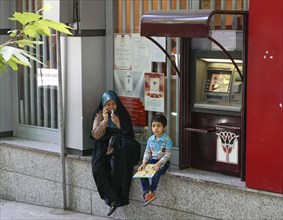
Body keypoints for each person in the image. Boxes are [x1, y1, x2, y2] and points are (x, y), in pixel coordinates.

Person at [91, 90, 140, 216]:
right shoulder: (99, 115)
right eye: (108, 104)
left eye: (113, 104)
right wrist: (105, 121)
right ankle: (113, 198)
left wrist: (118, 124)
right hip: (103, 144)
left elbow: (129, 134)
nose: (111, 107)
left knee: (117, 165)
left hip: (120, 144)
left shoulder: (122, 114)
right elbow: (96, 135)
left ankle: (119, 197)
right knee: (98, 168)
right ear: (103, 105)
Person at [137, 114, 173, 206]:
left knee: (155, 174)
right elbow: (147, 152)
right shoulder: (150, 140)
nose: (156, 128)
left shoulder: (167, 140)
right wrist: (144, 163)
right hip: (152, 161)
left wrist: (159, 164)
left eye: (158, 126)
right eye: (153, 126)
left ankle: (152, 191)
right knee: (142, 172)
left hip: (163, 162)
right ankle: (147, 192)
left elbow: (167, 155)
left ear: (164, 128)